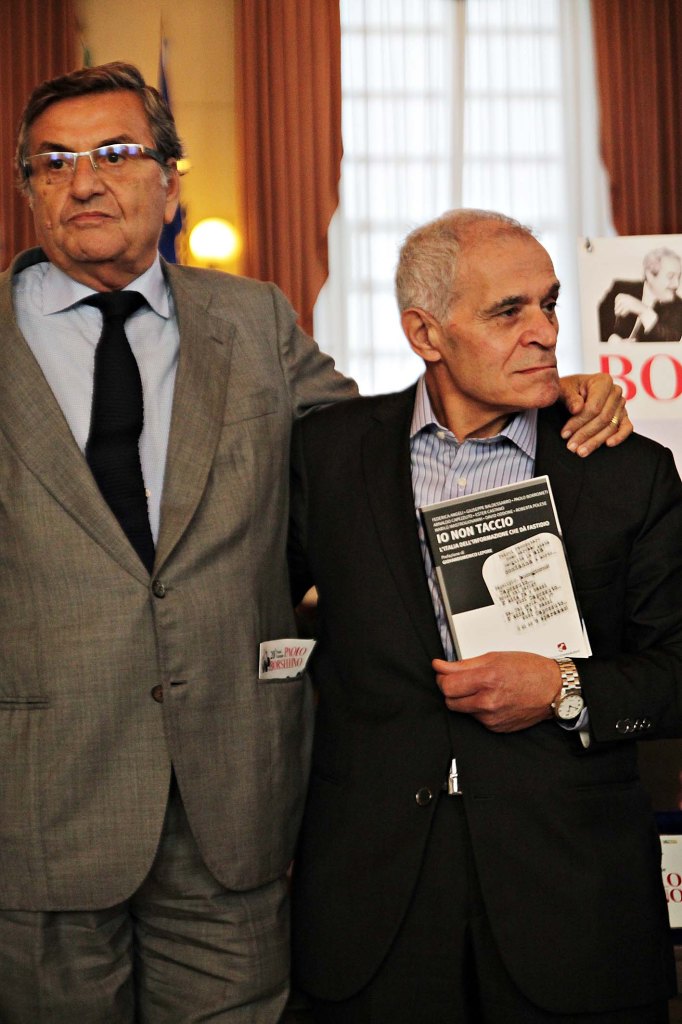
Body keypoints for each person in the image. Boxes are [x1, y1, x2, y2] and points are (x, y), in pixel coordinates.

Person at [0, 61, 628, 1023]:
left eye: (116, 154)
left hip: (234, 811)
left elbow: (381, 448)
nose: (84, 180)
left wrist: (544, 390)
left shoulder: (251, 319)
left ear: (169, 179)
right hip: (39, 803)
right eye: (54, 162)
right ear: (28, 189)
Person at [288, 209, 682, 1023]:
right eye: (509, 311)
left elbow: (675, 670)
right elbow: (249, 613)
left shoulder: (626, 469)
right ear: (425, 333)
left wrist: (564, 689)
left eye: (549, 303)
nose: (546, 331)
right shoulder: (326, 455)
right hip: (374, 898)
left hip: (570, 895)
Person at [599, 246, 682, 342]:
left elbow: (670, 340)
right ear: (649, 275)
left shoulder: (678, 305)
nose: (676, 284)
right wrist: (612, 340)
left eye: (679, 277)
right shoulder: (620, 288)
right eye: (670, 277)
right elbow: (599, 323)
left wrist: (644, 311)